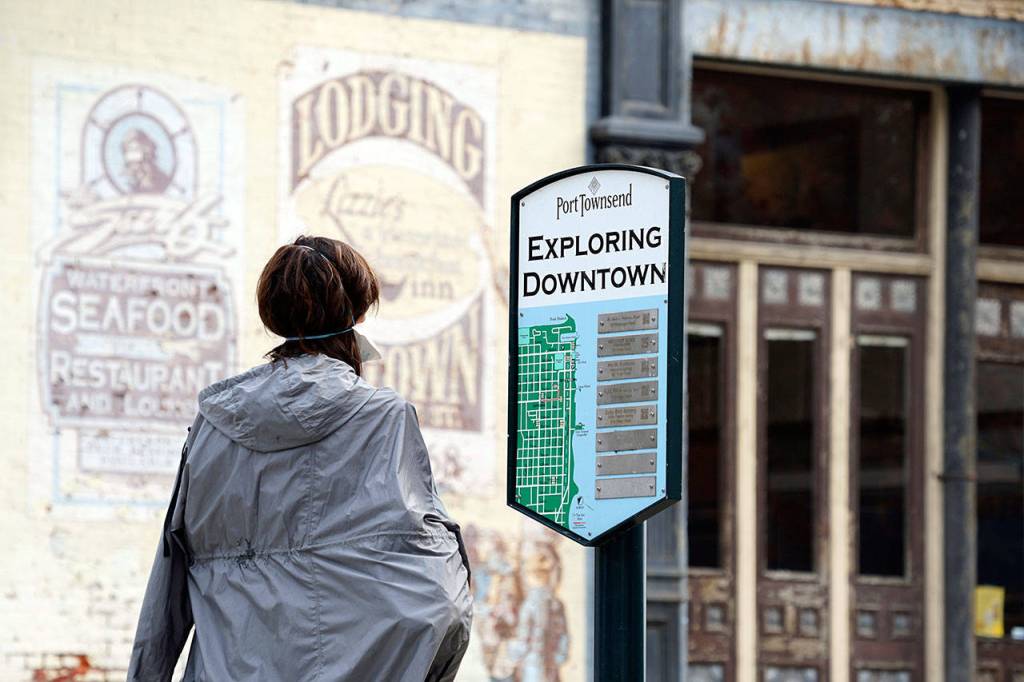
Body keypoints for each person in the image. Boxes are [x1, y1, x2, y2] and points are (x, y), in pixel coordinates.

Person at [127, 235, 473, 681]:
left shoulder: (213, 425)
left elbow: (169, 578)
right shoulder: (383, 419)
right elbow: (436, 590)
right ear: (358, 313)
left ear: (273, 315)